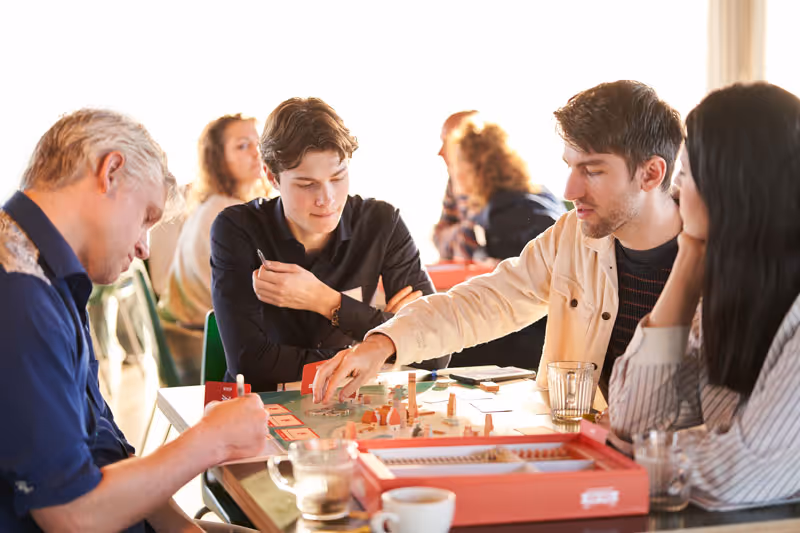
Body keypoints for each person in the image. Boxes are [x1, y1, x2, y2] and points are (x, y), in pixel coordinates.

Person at [312, 80, 684, 405]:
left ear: (651, 174)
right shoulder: (571, 235)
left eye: (593, 171)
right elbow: (485, 302)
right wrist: (382, 344)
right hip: (585, 452)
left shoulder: (718, 258)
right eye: (570, 166)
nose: (570, 190)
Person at [0, 109, 268, 532]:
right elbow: (73, 516)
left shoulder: (51, 275)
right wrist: (210, 441)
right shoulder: (20, 292)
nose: (144, 247)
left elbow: (106, 450)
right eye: (146, 217)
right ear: (110, 172)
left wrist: (185, 528)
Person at [609, 82, 800, 506]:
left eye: (685, 175)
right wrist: (689, 258)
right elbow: (633, 419)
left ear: (732, 188)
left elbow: (742, 474)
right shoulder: (733, 287)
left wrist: (649, 455)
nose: (675, 193)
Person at [211, 97, 450, 392]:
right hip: (262, 407)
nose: (327, 199)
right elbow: (249, 364)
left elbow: (437, 350)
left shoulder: (381, 224)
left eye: (338, 177)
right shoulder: (238, 229)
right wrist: (382, 348)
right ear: (272, 176)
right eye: (306, 184)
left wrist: (326, 301)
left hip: (351, 403)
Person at [440, 116, 564, 368]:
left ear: (470, 167)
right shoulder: (537, 193)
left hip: (529, 338)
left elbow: (516, 291)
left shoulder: (500, 216)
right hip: (546, 330)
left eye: (455, 164)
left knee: (441, 353)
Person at [159, 114, 271, 328]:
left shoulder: (212, 205)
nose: (257, 153)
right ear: (217, 158)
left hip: (191, 330)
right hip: (209, 339)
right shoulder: (228, 213)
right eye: (243, 146)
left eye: (259, 143)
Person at [432, 110, 479, 261]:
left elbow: (471, 247)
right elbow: (438, 236)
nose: (440, 152)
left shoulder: (497, 183)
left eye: (446, 142)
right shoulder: (455, 181)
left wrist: (455, 236)